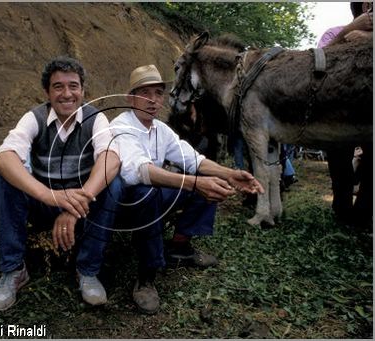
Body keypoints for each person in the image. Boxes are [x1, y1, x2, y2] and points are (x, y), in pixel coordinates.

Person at [109, 64, 264, 314]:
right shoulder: (121, 126)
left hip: (156, 193)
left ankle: (179, 247)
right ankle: (146, 275)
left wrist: (230, 174)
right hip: (127, 204)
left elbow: (193, 159)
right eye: (144, 93)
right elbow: (141, 172)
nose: (152, 100)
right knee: (149, 191)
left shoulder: (160, 129)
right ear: (130, 97)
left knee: (207, 182)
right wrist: (194, 182)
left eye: (158, 93)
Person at [0, 56, 122, 311]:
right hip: (43, 204)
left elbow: (111, 158)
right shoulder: (34, 118)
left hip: (83, 206)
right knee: (5, 178)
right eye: (58, 86)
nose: (66, 94)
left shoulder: (96, 119)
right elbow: (4, 158)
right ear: (47, 92)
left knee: (114, 184)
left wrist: (75, 205)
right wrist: (51, 197)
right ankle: (13, 270)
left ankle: (87, 270)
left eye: (73, 86)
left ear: (83, 91)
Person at [317, 1, 373, 229]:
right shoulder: (334, 32)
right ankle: (341, 214)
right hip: (339, 115)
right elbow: (318, 62)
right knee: (341, 171)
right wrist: (350, 30)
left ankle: (362, 218)